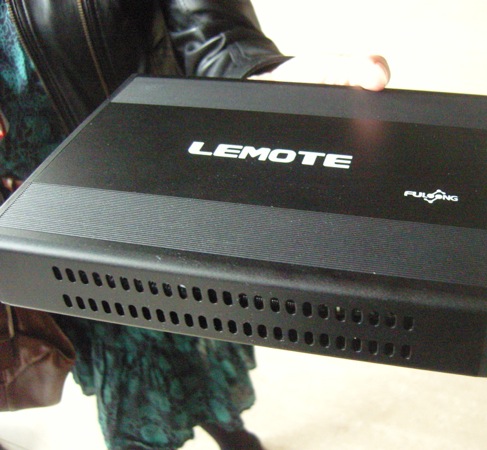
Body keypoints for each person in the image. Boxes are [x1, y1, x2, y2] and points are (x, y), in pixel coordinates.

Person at [0, 1, 390, 448]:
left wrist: (252, 75)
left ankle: (225, 427)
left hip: (147, 189)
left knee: (190, 328)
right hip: (31, 219)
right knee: (115, 352)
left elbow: (210, 33)